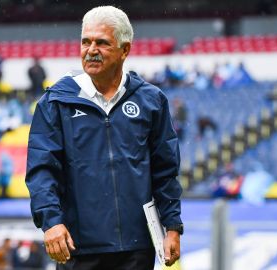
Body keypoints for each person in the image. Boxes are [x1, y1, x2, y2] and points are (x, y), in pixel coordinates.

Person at [26, 6, 183, 270]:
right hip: (77, 247)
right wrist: (51, 222)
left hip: (136, 248)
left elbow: (165, 171)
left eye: (102, 43)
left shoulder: (152, 101)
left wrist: (173, 226)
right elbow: (42, 170)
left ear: (125, 50)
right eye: (86, 42)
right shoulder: (54, 103)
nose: (91, 50)